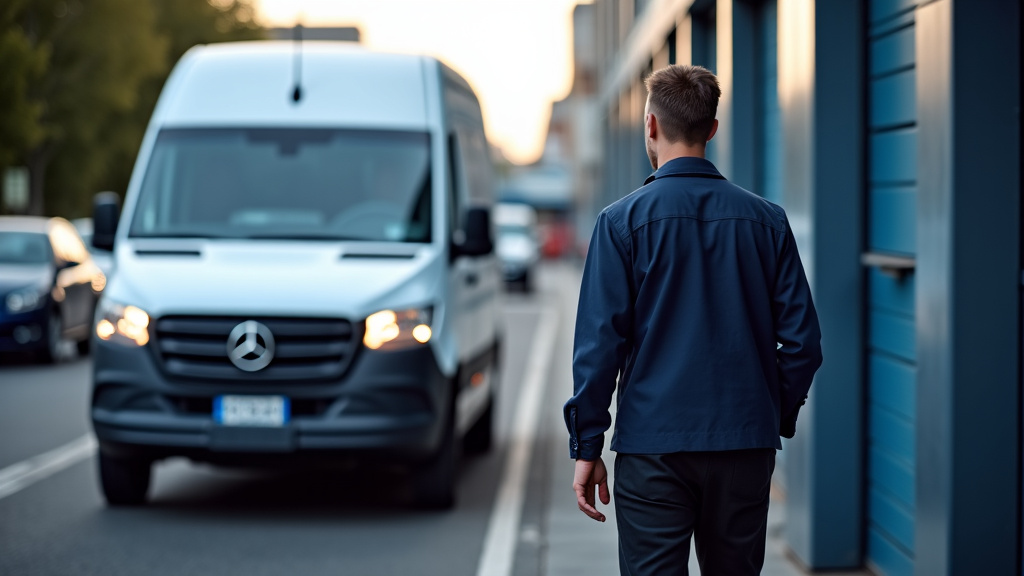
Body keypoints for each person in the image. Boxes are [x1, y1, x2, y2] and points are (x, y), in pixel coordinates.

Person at [563, 64, 822, 576]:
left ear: (651, 127)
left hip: (653, 448)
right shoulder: (767, 221)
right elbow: (803, 344)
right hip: (744, 444)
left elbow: (598, 347)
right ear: (712, 129)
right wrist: (773, 412)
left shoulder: (620, 224)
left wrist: (587, 444)